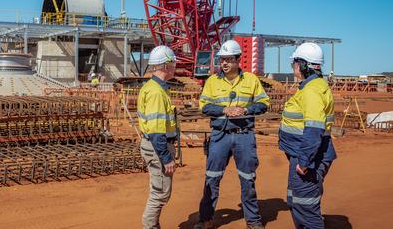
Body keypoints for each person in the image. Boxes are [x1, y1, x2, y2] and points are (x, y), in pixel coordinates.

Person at [195, 40, 270, 229]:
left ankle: (253, 220)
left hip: (244, 135)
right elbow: (204, 106)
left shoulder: (251, 80)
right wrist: (225, 110)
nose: (224, 63)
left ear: (238, 60)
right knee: (212, 177)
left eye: (229, 59)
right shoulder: (212, 81)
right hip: (220, 136)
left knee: (247, 178)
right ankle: (206, 219)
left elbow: (263, 104)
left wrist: (245, 110)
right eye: (222, 60)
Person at [279, 42, 336, 229]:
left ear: (303, 64)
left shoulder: (311, 91)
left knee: (306, 208)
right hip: (301, 155)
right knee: (296, 201)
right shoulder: (311, 86)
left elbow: (313, 130)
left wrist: (304, 162)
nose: (293, 67)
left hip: (308, 159)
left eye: (295, 62)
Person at [137, 45, 179, 229]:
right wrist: (166, 158)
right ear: (166, 65)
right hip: (157, 148)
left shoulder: (155, 88)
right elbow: (155, 131)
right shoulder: (156, 92)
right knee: (160, 194)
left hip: (154, 146)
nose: (176, 66)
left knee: (159, 191)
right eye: (173, 62)